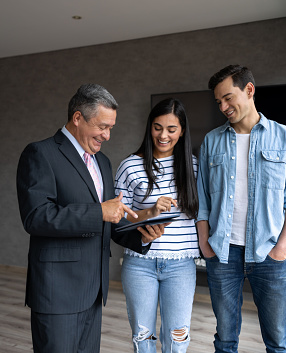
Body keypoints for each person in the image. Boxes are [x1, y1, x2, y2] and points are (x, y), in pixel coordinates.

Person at [16, 83, 167, 353]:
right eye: (102, 126)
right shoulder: (40, 154)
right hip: (57, 293)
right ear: (77, 118)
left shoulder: (103, 162)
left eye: (111, 128)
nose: (107, 135)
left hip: (94, 291)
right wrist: (99, 211)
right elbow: (36, 217)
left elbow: (109, 220)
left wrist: (141, 234)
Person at [196, 65, 286, 353]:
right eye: (218, 101)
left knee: (277, 342)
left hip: (269, 253)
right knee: (224, 340)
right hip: (222, 253)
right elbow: (203, 199)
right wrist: (204, 244)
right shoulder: (211, 141)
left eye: (228, 98)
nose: (223, 106)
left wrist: (281, 248)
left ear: (249, 90)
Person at [114, 98, 199, 352]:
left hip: (181, 266)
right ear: (149, 127)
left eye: (171, 129)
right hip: (140, 264)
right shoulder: (129, 166)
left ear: (182, 130)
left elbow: (202, 213)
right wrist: (149, 212)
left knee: (177, 338)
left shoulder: (194, 167)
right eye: (157, 127)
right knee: (144, 337)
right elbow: (118, 221)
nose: (163, 135)